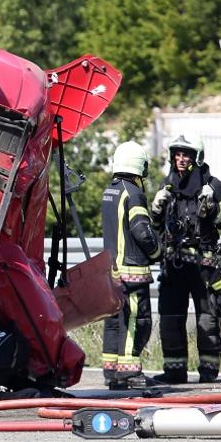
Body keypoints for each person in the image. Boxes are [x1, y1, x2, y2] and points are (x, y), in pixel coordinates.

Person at [148, 132, 221, 384]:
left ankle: (208, 372)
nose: (181, 159)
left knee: (207, 320)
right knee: (171, 318)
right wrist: (155, 211)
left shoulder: (214, 186)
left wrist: (213, 210)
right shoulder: (167, 186)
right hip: (174, 266)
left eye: (186, 154)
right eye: (177, 154)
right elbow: (157, 228)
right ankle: (174, 372)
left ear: (197, 158)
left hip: (204, 268)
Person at [100, 141, 160, 389]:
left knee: (115, 320)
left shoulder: (110, 191)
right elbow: (142, 231)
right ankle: (129, 372)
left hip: (111, 271)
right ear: (140, 166)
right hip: (131, 271)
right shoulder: (133, 194)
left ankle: (112, 371)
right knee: (137, 319)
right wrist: (157, 251)